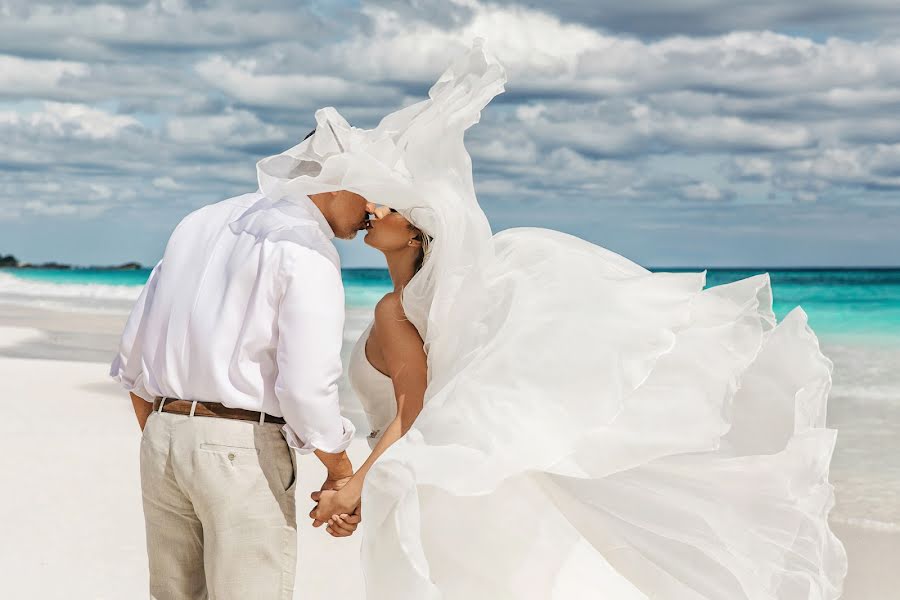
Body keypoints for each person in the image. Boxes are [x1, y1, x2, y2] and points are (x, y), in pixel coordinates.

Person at [292, 40, 847, 599]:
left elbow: (412, 415)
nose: (372, 211)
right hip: (424, 482)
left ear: (417, 228)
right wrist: (359, 487)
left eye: (386, 206)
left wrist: (356, 484)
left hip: (421, 484)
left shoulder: (397, 313)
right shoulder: (426, 309)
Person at [109, 163, 369, 597]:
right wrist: (340, 473)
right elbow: (305, 387)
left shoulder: (198, 222)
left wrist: (171, 436)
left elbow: (133, 360)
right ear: (337, 178)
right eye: (371, 189)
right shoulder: (304, 242)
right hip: (239, 447)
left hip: (162, 434)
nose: (373, 211)